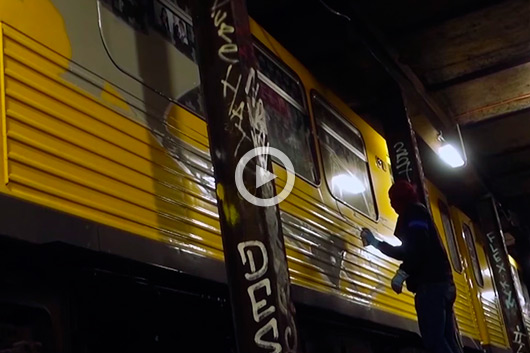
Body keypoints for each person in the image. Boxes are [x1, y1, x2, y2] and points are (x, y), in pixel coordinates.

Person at [361, 180, 462, 353]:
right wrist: (377, 244)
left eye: (393, 200)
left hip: (431, 287)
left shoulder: (414, 213)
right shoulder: (416, 213)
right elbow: (407, 251)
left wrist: (402, 274)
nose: (392, 205)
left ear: (401, 200)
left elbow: (419, 247)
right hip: (442, 286)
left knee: (434, 342)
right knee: (448, 341)